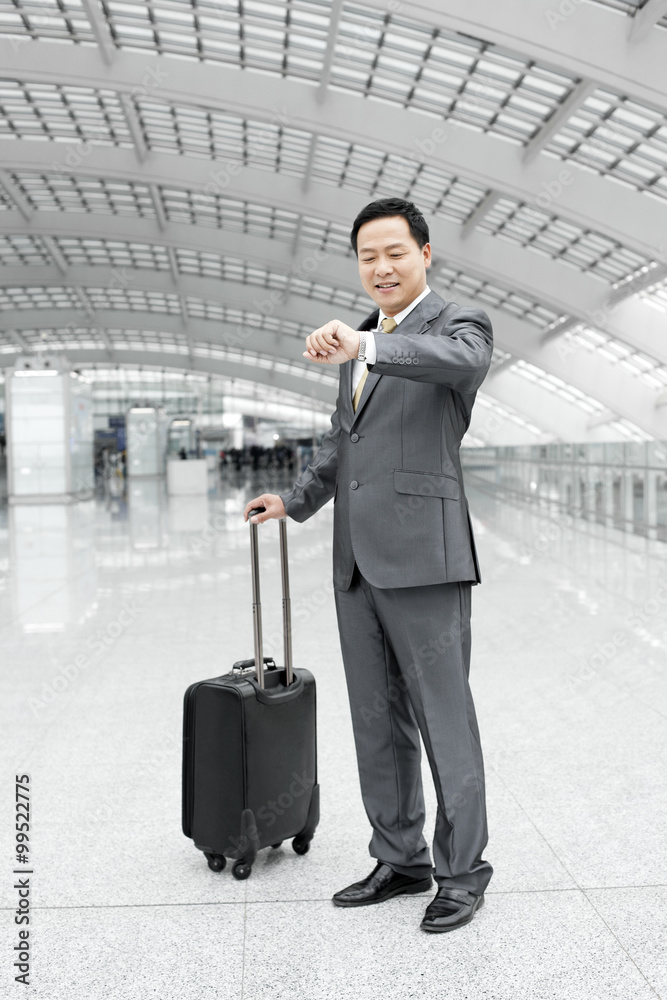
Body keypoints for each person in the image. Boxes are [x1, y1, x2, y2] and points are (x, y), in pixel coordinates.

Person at [243, 197, 493, 933]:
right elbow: (339, 445)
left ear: (424, 255)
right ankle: (399, 856)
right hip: (356, 561)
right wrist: (290, 501)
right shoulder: (356, 339)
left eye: (393, 252)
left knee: (443, 721)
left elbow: (462, 363)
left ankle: (463, 870)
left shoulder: (457, 325)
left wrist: (369, 350)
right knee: (375, 721)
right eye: (366, 256)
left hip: (425, 558)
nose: (379, 267)